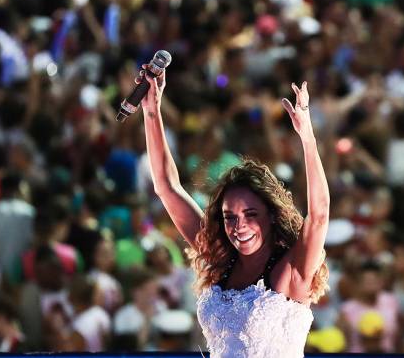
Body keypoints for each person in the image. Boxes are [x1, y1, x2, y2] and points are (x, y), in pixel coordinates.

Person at [140, 62, 331, 357]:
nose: (238, 225)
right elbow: (166, 187)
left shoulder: (290, 271)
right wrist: (151, 109)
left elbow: (318, 216)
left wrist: (307, 139)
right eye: (230, 217)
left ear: (271, 216)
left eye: (250, 215)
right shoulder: (220, 259)